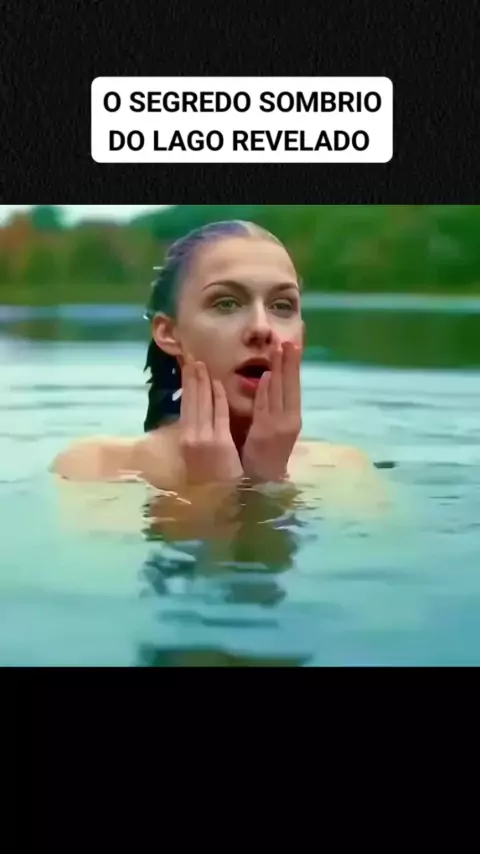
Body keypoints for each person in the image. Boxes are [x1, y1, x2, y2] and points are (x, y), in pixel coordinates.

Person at [51, 220, 390, 519]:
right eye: (226, 303)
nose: (262, 328)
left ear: (301, 334)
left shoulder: (345, 470)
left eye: (282, 305)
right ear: (169, 333)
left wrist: (268, 482)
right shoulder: (94, 468)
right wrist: (211, 489)